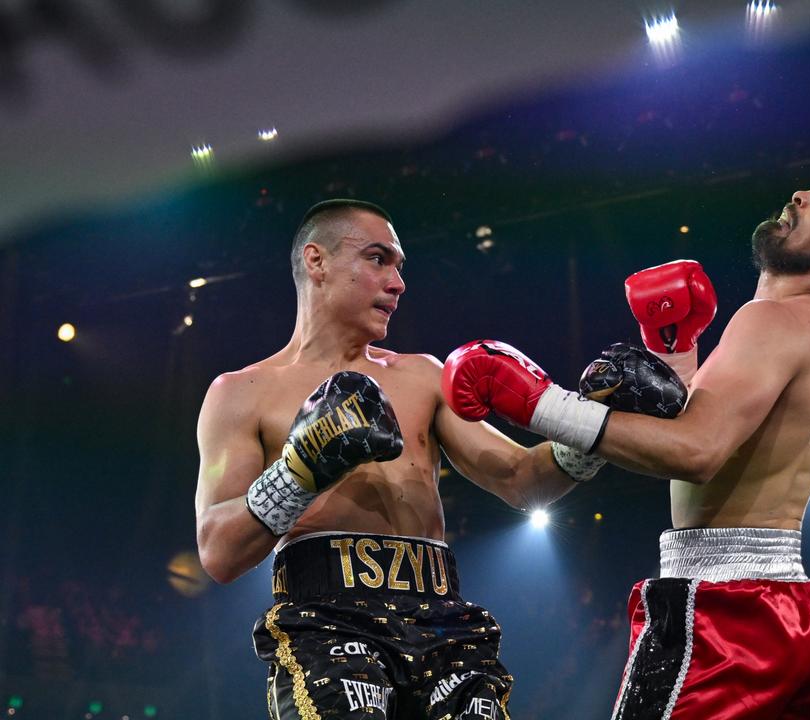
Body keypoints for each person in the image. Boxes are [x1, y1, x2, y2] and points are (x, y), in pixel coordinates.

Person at [442, 161, 810, 719]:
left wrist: (540, 404)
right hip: (790, 611)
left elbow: (697, 452)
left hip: (726, 609)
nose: (801, 194)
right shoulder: (809, 329)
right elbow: (713, 438)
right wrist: (675, 349)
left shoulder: (773, 320)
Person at [194, 199, 610, 720]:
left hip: (443, 623)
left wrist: (591, 428)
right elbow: (218, 552)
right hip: (326, 625)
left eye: (399, 266)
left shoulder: (423, 376)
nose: (397, 283)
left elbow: (524, 480)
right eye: (377, 259)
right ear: (316, 261)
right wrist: (298, 471)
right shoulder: (241, 393)